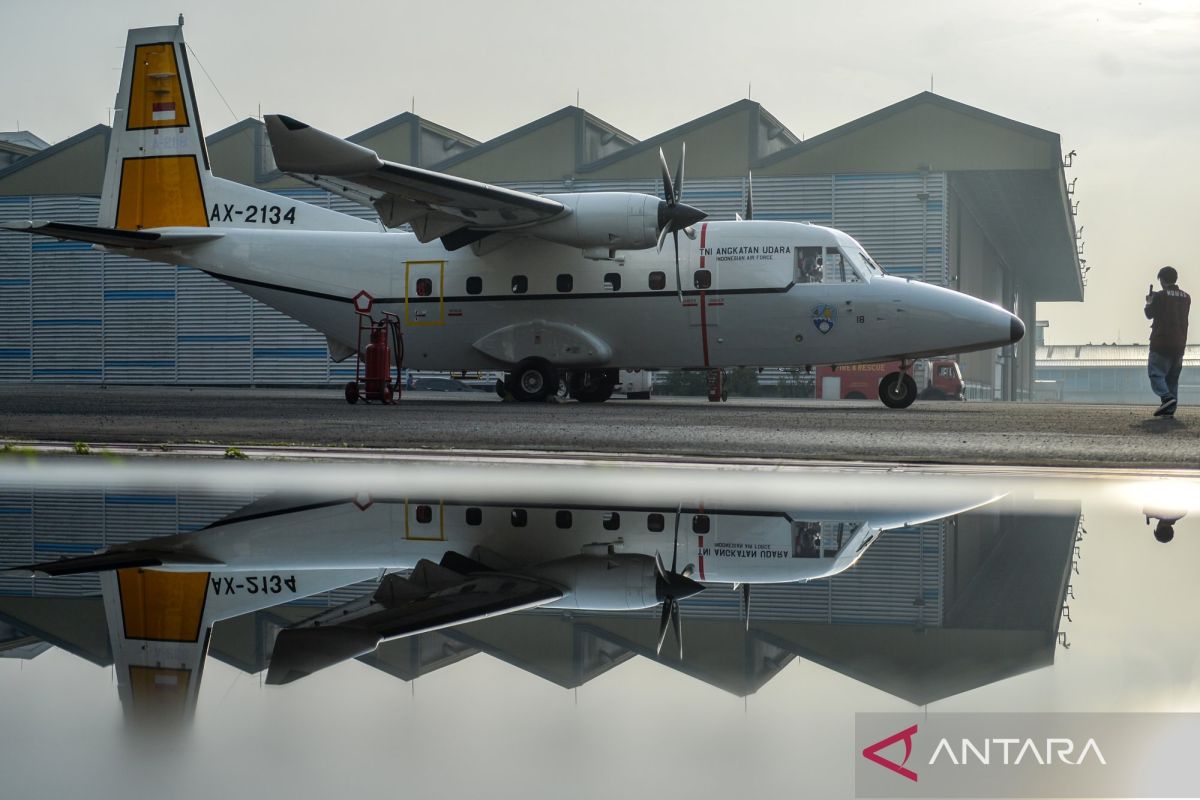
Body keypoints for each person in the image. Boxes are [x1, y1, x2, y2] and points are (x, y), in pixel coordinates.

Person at [1144, 266, 1191, 417]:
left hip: (1161, 342)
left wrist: (1149, 301)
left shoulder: (1160, 296)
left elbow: (1149, 314)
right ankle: (1169, 411)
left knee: (1156, 374)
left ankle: (1166, 398)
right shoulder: (1187, 297)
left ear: (1162, 280)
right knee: (1172, 379)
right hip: (1180, 344)